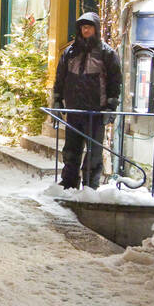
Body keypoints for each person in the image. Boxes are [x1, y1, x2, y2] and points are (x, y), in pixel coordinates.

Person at [53, 11, 122, 190]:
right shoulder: (70, 52)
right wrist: (57, 99)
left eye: (89, 26)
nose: (85, 30)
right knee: (71, 149)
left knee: (94, 151)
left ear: (95, 29)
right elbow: (60, 77)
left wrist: (111, 106)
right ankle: (69, 182)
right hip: (74, 110)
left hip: (95, 111)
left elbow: (115, 81)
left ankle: (90, 184)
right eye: (83, 27)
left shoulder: (106, 53)